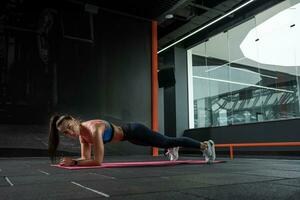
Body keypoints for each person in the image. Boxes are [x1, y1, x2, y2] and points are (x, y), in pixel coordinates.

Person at [48, 114, 216, 166]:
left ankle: (204, 145)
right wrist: (73, 160)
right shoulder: (83, 137)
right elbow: (86, 159)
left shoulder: (94, 128)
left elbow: (97, 161)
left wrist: (75, 163)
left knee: (167, 141)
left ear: (74, 120)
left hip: (134, 130)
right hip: (130, 138)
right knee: (165, 142)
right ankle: (172, 148)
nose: (70, 133)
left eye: (69, 127)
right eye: (65, 133)